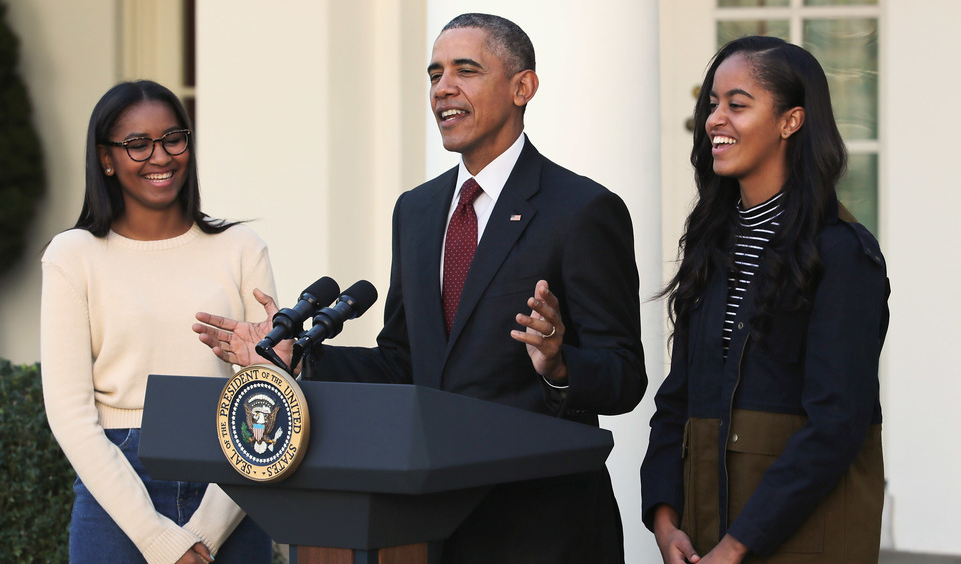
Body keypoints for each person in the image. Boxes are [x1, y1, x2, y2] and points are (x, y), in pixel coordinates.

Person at [193, 13, 646, 564]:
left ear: (522, 86)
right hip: (428, 527)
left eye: (466, 70)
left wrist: (558, 364)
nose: (442, 88)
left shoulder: (581, 210)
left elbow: (624, 374)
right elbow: (403, 362)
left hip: (544, 528)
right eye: (434, 74)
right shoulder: (418, 211)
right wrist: (301, 360)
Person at [640, 36, 889, 563]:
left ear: (790, 121)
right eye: (712, 105)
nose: (715, 120)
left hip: (801, 541)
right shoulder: (712, 244)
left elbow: (836, 425)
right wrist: (664, 521)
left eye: (737, 104)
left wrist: (737, 547)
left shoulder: (842, 254)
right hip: (703, 537)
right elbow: (677, 398)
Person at [41, 80, 275, 564]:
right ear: (106, 158)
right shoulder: (73, 256)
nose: (161, 156)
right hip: (117, 494)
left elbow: (270, 399)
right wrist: (157, 539)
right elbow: (69, 414)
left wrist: (207, 533)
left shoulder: (241, 248)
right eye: (137, 144)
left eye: (173, 138)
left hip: (231, 479)